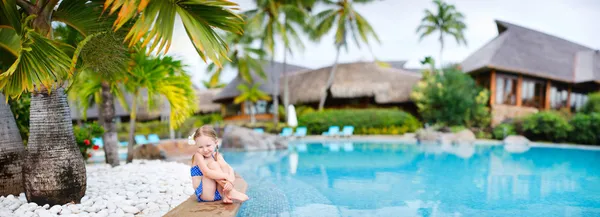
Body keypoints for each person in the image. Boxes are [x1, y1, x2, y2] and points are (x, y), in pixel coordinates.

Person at [189, 125, 249, 203]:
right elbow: (207, 173)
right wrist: (226, 176)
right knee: (213, 165)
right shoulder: (198, 156)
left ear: (216, 142)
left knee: (222, 164)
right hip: (205, 194)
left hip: (219, 193)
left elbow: (230, 169)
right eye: (200, 147)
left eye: (208, 145)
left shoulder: (216, 155)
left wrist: (230, 182)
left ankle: (227, 194)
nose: (205, 150)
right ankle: (231, 192)